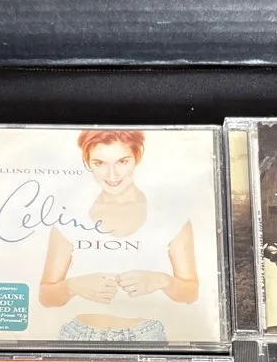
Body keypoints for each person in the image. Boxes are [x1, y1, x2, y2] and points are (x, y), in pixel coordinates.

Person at [38, 129, 199, 342]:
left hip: (146, 337)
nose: (112, 175)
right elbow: (46, 296)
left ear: (137, 157)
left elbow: (191, 292)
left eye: (122, 162)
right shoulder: (69, 215)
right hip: (77, 336)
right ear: (88, 162)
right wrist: (72, 286)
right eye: (99, 163)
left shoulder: (170, 215)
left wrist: (161, 281)